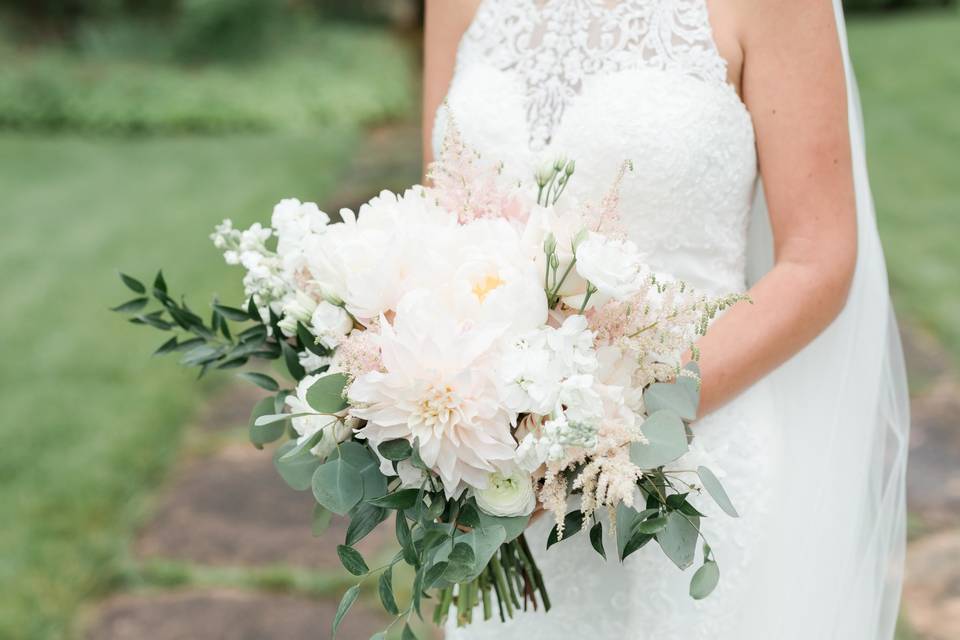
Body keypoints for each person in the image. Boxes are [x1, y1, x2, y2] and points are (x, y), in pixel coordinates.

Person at [422, 1, 910, 638]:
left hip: (693, 468)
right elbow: (439, 223)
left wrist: (594, 429)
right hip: (504, 488)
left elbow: (818, 259)